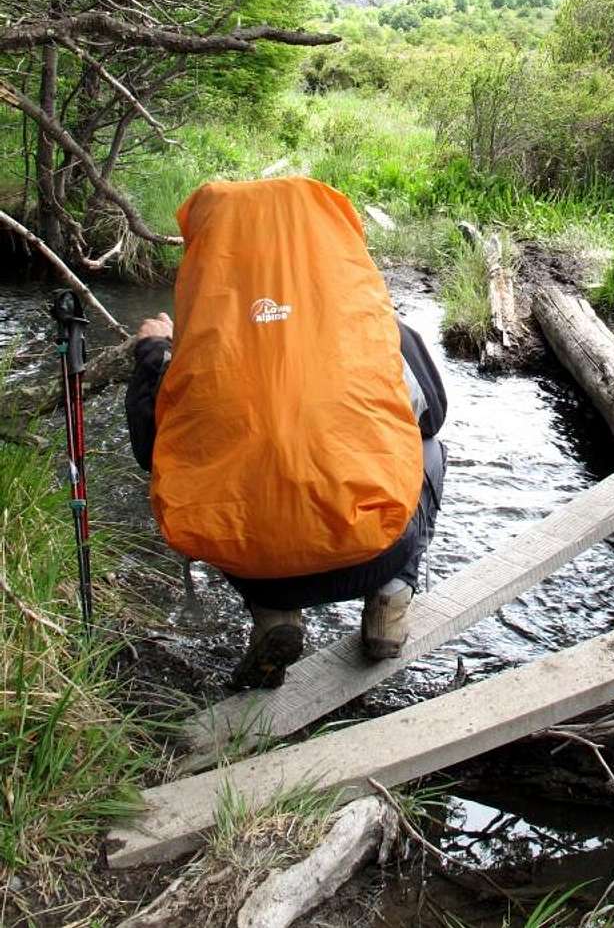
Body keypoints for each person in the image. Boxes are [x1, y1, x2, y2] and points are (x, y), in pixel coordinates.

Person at [124, 177, 447, 691]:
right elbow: (432, 417)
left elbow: (151, 453)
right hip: (372, 549)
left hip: (250, 562)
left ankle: (275, 616)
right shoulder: (376, 327)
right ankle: (391, 594)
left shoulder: (192, 351)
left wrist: (153, 354)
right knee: (428, 448)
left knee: (240, 478)